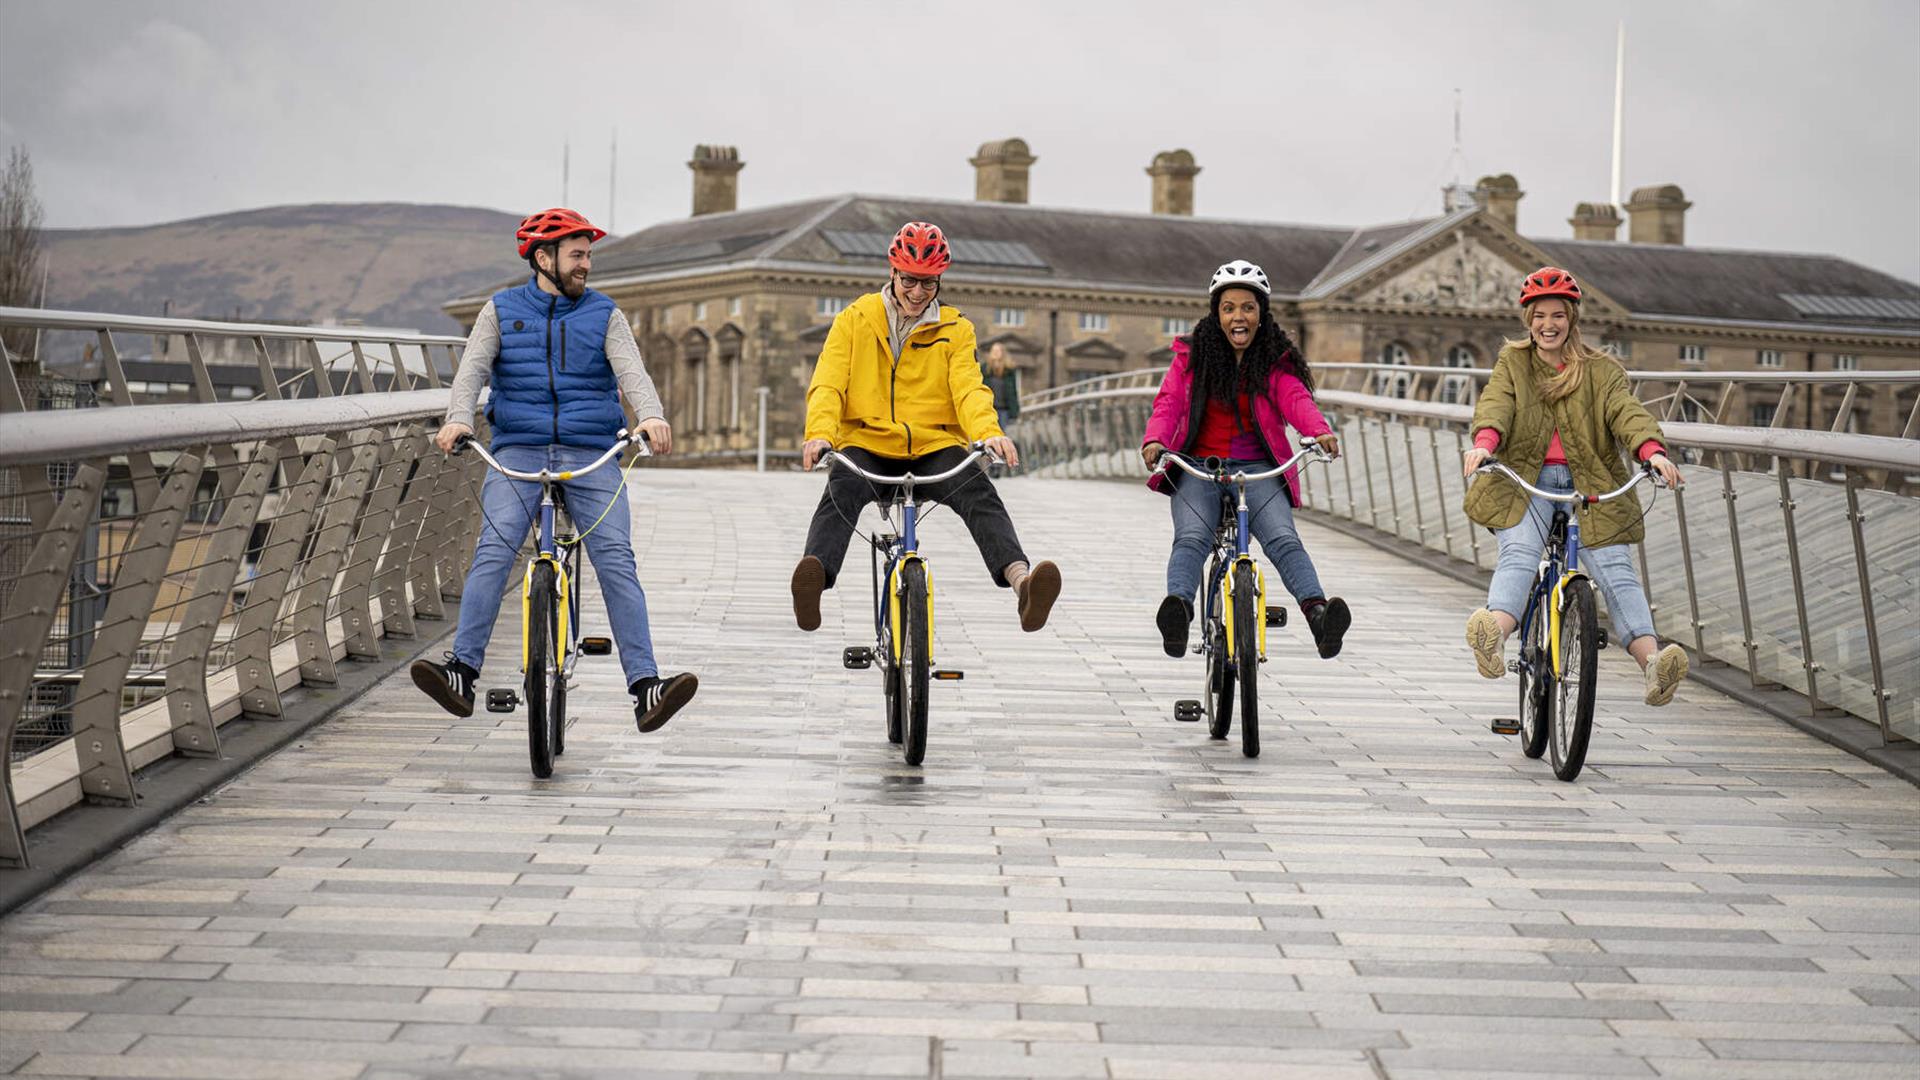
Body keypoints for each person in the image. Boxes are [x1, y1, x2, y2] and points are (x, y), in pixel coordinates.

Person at [410, 207, 699, 732]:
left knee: (615, 557)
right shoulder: (499, 312)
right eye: (578, 255)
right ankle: (462, 672)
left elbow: (631, 371)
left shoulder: (604, 313)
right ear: (543, 259)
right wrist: (457, 420)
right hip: (517, 450)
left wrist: (652, 416)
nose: (586, 264)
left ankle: (645, 687)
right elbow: (472, 371)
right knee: (494, 552)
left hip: (592, 452)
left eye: (588, 255)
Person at [792, 220, 1062, 633]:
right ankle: (813, 581)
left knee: (979, 491)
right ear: (893, 272)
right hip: (868, 442)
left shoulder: (955, 329)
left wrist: (989, 432)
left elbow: (970, 388)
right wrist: (821, 433)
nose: (918, 293)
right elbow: (829, 381)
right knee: (841, 487)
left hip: (934, 447)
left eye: (929, 284)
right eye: (910, 281)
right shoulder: (855, 320)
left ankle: (1023, 585)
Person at [1460, 265, 1689, 706]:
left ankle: (1654, 665)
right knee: (1521, 553)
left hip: (1593, 482)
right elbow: (1496, 405)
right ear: (1529, 320)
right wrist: (1485, 443)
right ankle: (1494, 636)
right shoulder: (1515, 362)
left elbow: (1625, 412)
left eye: (1558, 315)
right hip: (1526, 480)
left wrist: (1651, 451)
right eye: (1540, 315)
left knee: (1617, 573)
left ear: (1572, 318)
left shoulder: (1601, 370)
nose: (1549, 325)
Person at [1140, 260, 1351, 660]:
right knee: (1191, 538)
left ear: (1261, 314)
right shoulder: (1191, 357)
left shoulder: (1274, 360)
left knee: (1284, 540)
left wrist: (1319, 430)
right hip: (1198, 466)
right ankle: (1178, 614)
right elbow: (1169, 404)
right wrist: (1155, 439)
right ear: (1216, 314)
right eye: (1229, 307)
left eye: (1248, 307)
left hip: (1258, 470)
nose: (1239, 315)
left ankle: (1320, 618)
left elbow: (1295, 399)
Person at [980, 342, 1022, 429]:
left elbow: (1013, 391)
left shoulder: (1009, 370)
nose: (995, 352)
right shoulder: (984, 369)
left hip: (1004, 409)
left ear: (1002, 353)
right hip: (990, 408)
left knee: (1002, 433)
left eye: (998, 350)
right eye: (993, 350)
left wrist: (1015, 411)